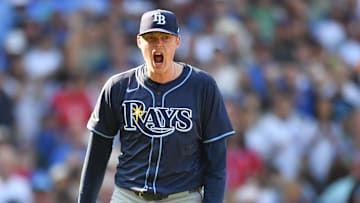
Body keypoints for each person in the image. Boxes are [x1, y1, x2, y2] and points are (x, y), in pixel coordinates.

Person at [78, 9, 234, 203]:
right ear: (139, 42)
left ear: (177, 41)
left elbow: (216, 163)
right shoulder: (118, 87)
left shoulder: (202, 87)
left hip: (182, 197)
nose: (158, 44)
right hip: (129, 195)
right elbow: (96, 158)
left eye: (165, 38)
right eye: (151, 38)